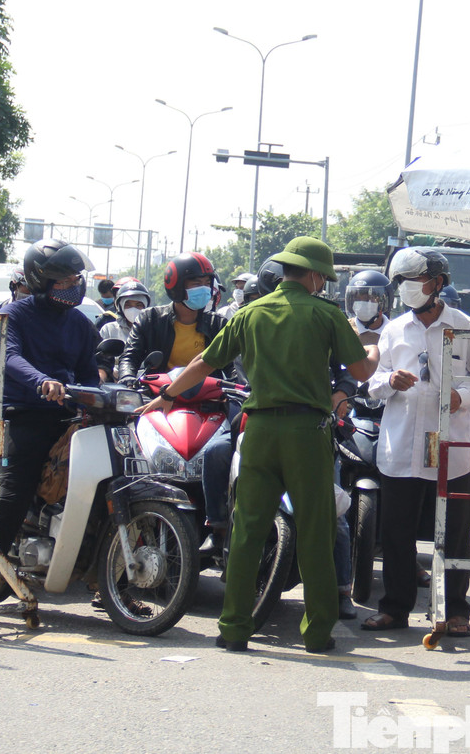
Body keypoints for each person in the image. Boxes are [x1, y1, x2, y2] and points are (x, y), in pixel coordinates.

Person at [141, 236, 377, 654]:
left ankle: (233, 628)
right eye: (322, 276)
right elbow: (358, 369)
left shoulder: (249, 313)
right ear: (315, 275)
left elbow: (204, 363)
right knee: (315, 531)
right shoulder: (325, 314)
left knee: (248, 528)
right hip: (307, 434)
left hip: (259, 431)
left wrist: (169, 395)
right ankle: (317, 633)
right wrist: (375, 353)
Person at [361, 248, 470, 638]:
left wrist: (463, 397)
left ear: (437, 284)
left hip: (450, 445)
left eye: (413, 281)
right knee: (397, 532)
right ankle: (395, 608)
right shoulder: (393, 330)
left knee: (454, 532)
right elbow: (372, 383)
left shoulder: (465, 326)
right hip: (401, 445)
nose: (406, 289)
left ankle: (456, 611)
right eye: (400, 283)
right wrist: (389, 382)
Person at [0, 239, 101, 592]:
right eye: (63, 280)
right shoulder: (15, 315)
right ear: (40, 281)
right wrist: (43, 381)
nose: (73, 285)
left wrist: (97, 400)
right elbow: (10, 357)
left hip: (66, 417)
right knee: (15, 493)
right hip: (25, 414)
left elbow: (88, 375)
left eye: (76, 278)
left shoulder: (80, 324)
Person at [116, 253, 227, 380]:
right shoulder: (150, 319)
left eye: (207, 284)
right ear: (176, 286)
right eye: (196, 284)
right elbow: (130, 356)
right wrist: (127, 378)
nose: (204, 289)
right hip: (158, 394)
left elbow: (232, 364)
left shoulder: (218, 324)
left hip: (208, 397)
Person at [97, 280, 151, 380]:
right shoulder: (109, 329)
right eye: (128, 305)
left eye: (139, 305)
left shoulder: (154, 331)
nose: (133, 309)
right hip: (113, 384)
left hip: (145, 385)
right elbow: (101, 361)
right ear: (120, 306)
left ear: (146, 306)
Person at [345, 269, 392, 345]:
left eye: (367, 299)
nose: (361, 304)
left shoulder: (395, 331)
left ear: (381, 303)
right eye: (357, 299)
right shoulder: (343, 330)